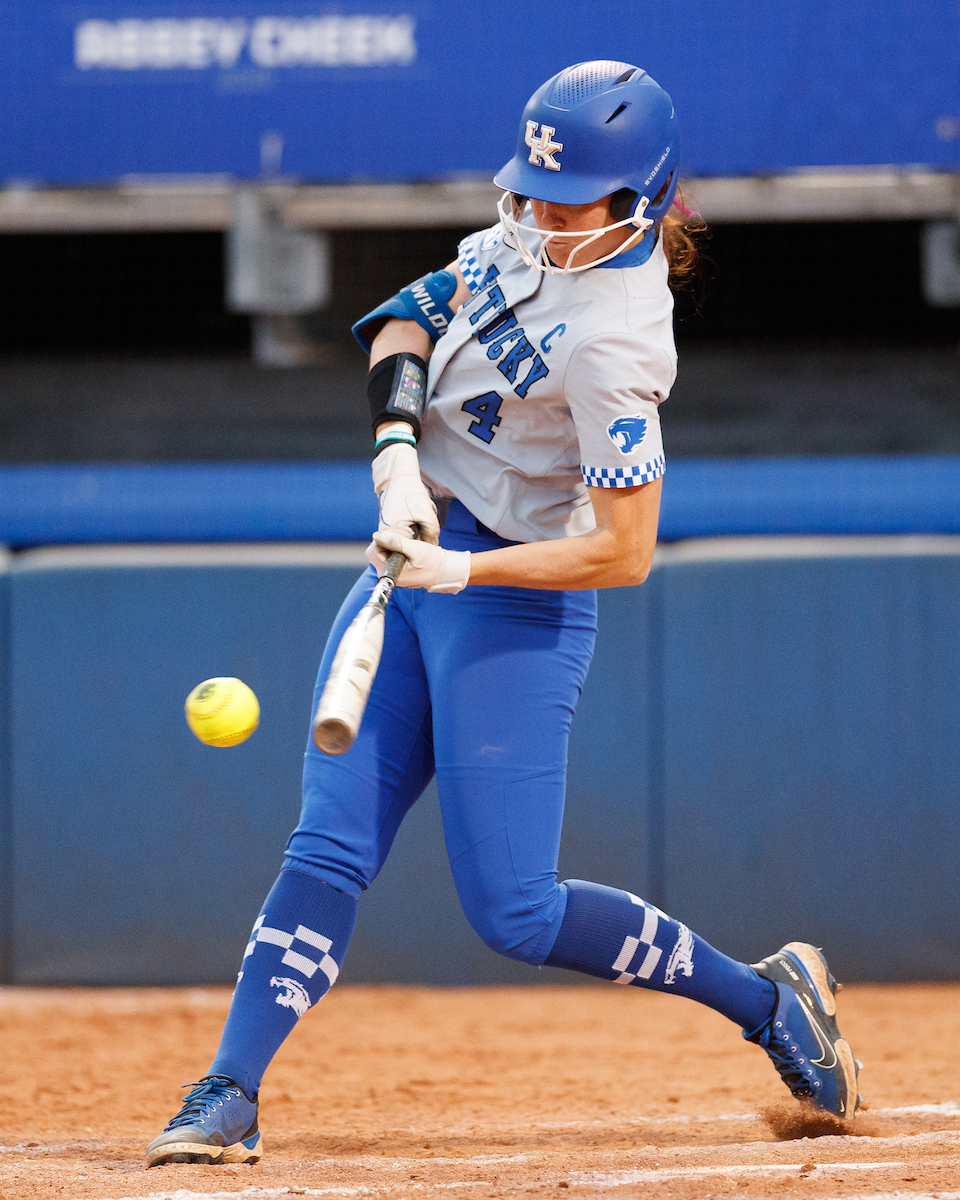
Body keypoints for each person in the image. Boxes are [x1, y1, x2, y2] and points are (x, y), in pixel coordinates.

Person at [145, 60, 861, 1168]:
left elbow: (625, 555)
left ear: (643, 201)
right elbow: (402, 323)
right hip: (418, 551)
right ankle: (228, 1090)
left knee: (515, 913)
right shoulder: (508, 242)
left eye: (565, 200)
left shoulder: (621, 342)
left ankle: (771, 1002)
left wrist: (469, 577)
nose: (535, 214)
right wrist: (393, 463)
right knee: (326, 844)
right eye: (528, 189)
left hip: (513, 603)